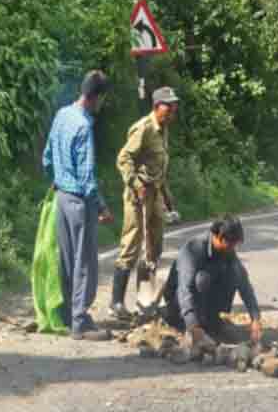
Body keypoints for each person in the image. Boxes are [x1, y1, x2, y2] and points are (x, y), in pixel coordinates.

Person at [42, 70, 114, 341]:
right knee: (84, 262)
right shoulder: (84, 126)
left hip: (61, 198)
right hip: (79, 203)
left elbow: (47, 158)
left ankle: (66, 314)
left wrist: (56, 181)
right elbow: (86, 177)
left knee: (66, 259)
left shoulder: (62, 115)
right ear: (98, 97)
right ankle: (80, 322)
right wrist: (101, 207)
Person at [109, 86, 179, 319]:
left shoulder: (163, 129)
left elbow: (158, 167)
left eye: (174, 106)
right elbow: (124, 158)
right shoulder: (145, 128)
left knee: (154, 245)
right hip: (138, 195)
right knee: (132, 243)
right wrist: (134, 183)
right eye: (168, 106)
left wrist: (167, 198)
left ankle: (145, 299)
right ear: (157, 106)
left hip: (155, 193)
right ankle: (116, 303)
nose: (172, 110)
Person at [162, 215, 263, 349]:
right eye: (230, 243)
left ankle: (211, 321)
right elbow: (185, 289)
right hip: (179, 306)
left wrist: (255, 318)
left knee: (234, 274)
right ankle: (191, 324)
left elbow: (244, 285)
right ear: (217, 236)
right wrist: (193, 325)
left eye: (235, 244)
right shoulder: (193, 249)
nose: (233, 248)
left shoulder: (227, 251)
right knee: (202, 279)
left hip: (203, 307)